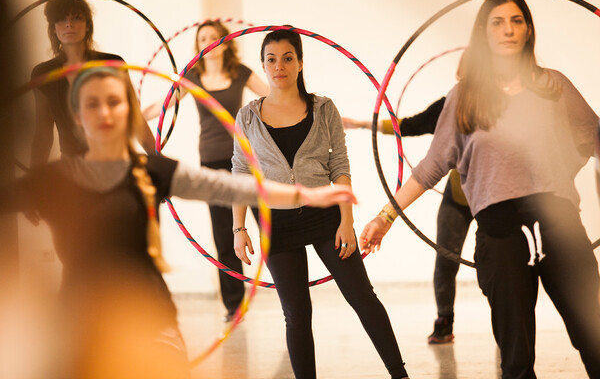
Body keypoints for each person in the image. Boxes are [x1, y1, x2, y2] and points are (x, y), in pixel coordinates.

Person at [0, 67, 355, 378]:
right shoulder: (52, 180)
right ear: (76, 114)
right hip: (80, 327)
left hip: (153, 323)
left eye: (114, 101)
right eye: (93, 104)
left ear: (129, 111)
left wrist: (307, 196)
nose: (105, 112)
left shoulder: (152, 170)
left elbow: (229, 185)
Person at [361, 0, 600, 378]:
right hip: (500, 231)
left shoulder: (553, 86)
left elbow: (595, 139)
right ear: (484, 33)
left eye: (517, 20)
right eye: (498, 22)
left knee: (595, 337)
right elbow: (430, 166)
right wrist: (384, 216)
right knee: (517, 358)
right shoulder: (464, 97)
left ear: (528, 31)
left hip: (559, 223)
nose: (508, 30)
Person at [232, 29, 409, 379]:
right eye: (271, 59)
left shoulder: (324, 109)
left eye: (287, 58)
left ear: (300, 62)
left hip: (326, 218)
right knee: (296, 314)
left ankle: (399, 374)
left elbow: (340, 168)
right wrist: (239, 228)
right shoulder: (248, 117)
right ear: (263, 65)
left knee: (362, 297)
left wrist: (347, 221)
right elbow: (240, 173)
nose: (279, 66)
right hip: (276, 225)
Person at [143, 20, 269, 321]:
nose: (209, 42)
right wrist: (132, 115)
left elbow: (272, 99)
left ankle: (286, 284)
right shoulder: (193, 76)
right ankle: (234, 306)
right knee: (225, 236)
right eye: (203, 39)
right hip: (212, 162)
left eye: (214, 37)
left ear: (225, 42)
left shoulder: (240, 72)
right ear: (198, 46)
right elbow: (163, 106)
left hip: (247, 160)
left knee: (270, 224)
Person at [343, 97, 473, 344]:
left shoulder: (514, 104)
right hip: (459, 194)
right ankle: (444, 320)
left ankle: (507, 323)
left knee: (498, 267)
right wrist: (360, 124)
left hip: (499, 200)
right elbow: (410, 125)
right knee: (446, 258)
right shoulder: (454, 102)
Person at [30, 0, 155, 169]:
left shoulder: (113, 65)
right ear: (53, 28)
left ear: (88, 25)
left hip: (114, 163)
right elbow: (43, 133)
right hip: (72, 170)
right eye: (61, 19)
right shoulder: (43, 73)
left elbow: (133, 117)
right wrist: (33, 181)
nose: (69, 24)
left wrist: (158, 161)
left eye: (76, 18)